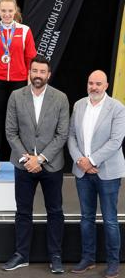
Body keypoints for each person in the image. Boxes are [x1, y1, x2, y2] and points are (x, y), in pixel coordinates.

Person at [3, 56, 69, 273]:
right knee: (23, 211)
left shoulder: (60, 98)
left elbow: (62, 135)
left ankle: (56, 256)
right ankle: (21, 255)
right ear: (29, 73)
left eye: (42, 72)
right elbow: (11, 133)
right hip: (23, 165)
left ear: (49, 74)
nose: (38, 75)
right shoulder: (15, 96)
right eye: (35, 71)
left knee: (55, 211)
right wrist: (27, 159)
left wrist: (40, 159)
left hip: (51, 165)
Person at [68, 70, 125, 278]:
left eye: (98, 84)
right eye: (91, 83)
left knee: (110, 220)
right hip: (83, 172)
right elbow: (71, 136)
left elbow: (116, 141)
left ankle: (113, 262)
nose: (94, 87)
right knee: (86, 218)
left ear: (106, 85)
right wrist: (80, 162)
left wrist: (91, 161)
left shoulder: (117, 108)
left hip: (107, 172)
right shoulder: (79, 104)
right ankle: (88, 258)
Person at [0, 0, 37, 175]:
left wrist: (30, 87)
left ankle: (23, 159)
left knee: (21, 123)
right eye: (3, 11)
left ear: (15, 11)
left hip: (19, 82)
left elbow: (31, 60)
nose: (7, 14)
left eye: (10, 11)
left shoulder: (25, 30)